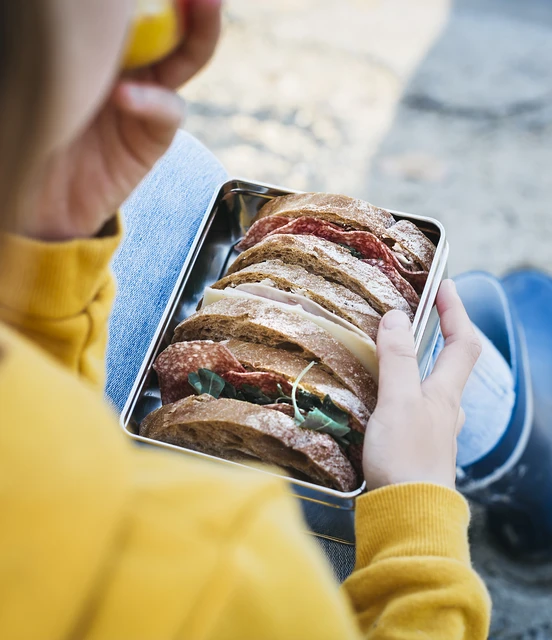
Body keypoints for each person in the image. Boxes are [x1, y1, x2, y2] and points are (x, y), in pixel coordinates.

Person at [0, 1, 491, 638]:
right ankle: (510, 438)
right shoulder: (229, 565)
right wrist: (421, 516)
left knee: (175, 170)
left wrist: (49, 251)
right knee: (458, 372)